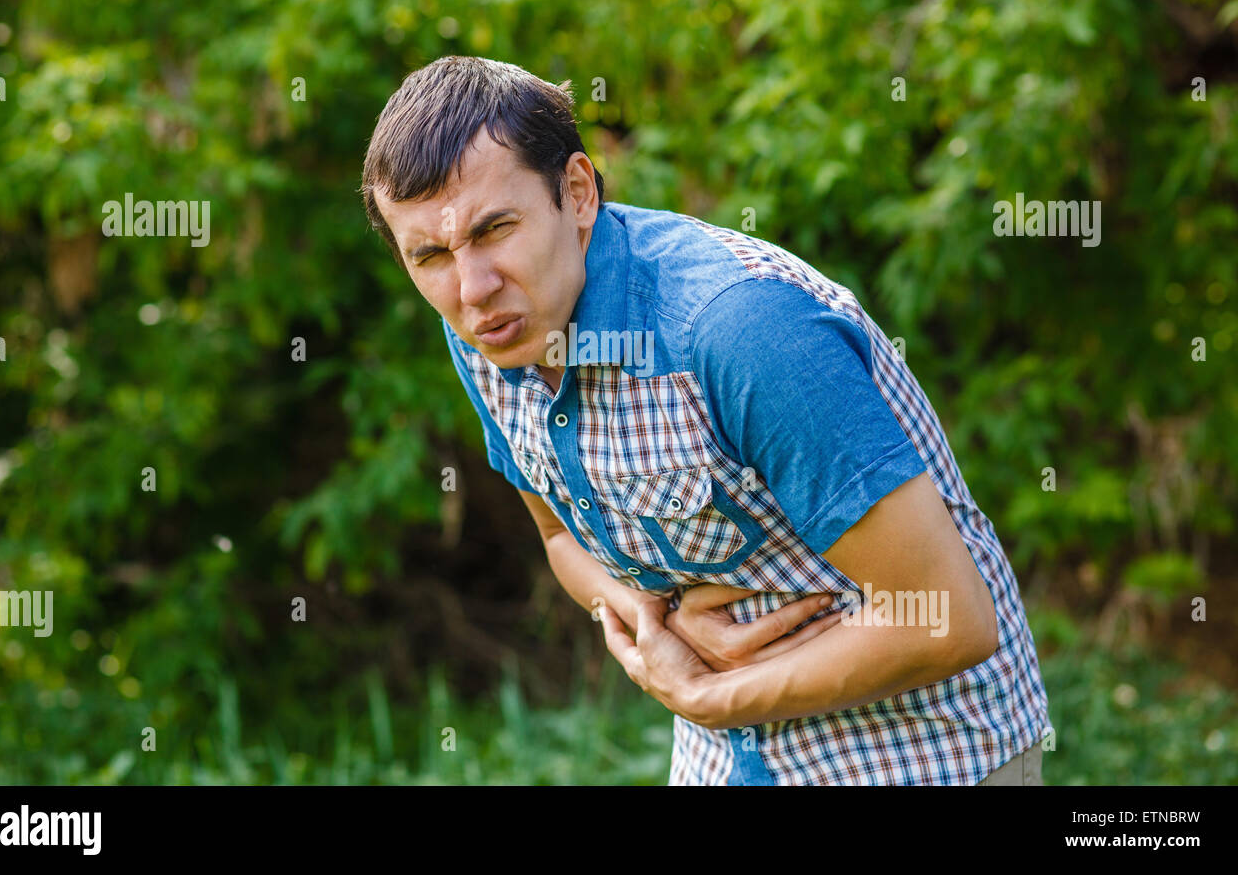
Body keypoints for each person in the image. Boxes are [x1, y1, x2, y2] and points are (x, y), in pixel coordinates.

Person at [360, 55, 1049, 785]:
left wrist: (706, 697)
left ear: (578, 192)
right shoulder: (493, 328)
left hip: (925, 756)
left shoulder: (742, 332)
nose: (471, 287)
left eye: (496, 228)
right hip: (724, 762)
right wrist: (646, 621)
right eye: (430, 256)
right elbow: (560, 536)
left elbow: (949, 619)